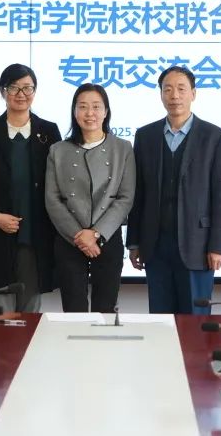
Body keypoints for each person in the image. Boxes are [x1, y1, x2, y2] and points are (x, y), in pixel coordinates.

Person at [128, 66, 221, 314]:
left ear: (193, 94)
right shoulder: (145, 136)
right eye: (168, 89)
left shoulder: (215, 137)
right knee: (160, 319)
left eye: (181, 89)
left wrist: (218, 245)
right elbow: (138, 192)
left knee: (195, 320)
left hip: (198, 244)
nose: (174, 95)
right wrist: (134, 241)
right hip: (155, 244)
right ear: (161, 94)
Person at [0, 64, 62, 312]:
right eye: (14, 88)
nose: (21, 94)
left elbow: (60, 181)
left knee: (30, 312)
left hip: (35, 236)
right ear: (3, 91)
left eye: (27, 88)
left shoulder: (49, 131)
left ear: (35, 91)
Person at [45, 84, 135, 313]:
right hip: (69, 239)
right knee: (73, 311)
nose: (90, 113)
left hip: (107, 238)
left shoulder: (123, 148)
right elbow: (52, 199)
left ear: (106, 112)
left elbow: (125, 198)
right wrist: (80, 236)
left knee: (105, 311)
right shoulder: (58, 150)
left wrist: (95, 234)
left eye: (96, 107)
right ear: (74, 112)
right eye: (83, 107)